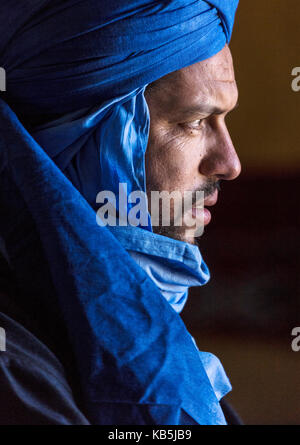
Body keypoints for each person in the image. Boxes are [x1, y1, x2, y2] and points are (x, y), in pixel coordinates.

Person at [0, 0, 242, 424]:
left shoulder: (172, 355)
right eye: (195, 121)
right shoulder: (14, 373)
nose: (229, 162)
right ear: (91, 135)